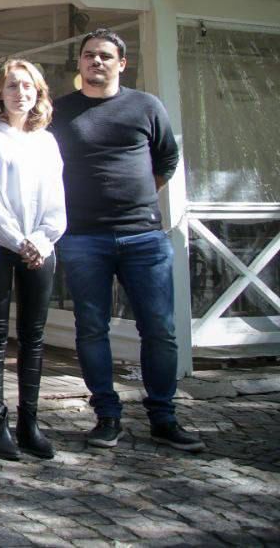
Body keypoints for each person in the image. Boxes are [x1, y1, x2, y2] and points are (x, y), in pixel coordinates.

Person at [49, 29, 204, 452]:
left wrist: (135, 200)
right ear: (79, 64)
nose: (95, 62)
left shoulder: (146, 106)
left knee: (160, 329)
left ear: (122, 63)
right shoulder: (59, 112)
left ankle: (164, 417)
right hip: (82, 237)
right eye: (87, 56)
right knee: (91, 329)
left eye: (104, 56)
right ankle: (107, 415)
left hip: (143, 237)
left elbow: (166, 160)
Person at [0, 59, 66, 461]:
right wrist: (16, 239)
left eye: (28, 86)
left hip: (39, 251)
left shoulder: (46, 141)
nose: (20, 92)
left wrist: (41, 240)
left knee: (33, 337)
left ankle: (30, 421)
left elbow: (56, 201)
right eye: (12, 85)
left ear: (38, 93)